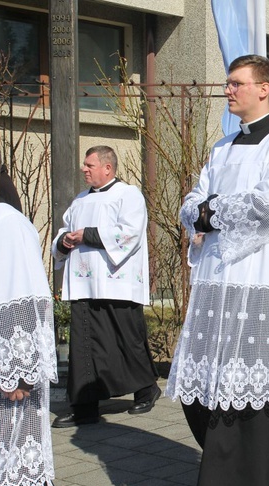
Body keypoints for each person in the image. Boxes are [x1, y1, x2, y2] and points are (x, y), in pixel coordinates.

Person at [165, 55, 269, 486]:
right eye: (229, 84)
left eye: (235, 83)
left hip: (266, 276)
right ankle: (229, 468)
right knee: (203, 386)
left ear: (264, 88)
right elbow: (190, 202)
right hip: (219, 281)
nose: (227, 90)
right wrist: (204, 212)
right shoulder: (221, 147)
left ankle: (246, 482)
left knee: (253, 383)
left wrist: (210, 214)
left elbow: (267, 205)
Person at [51, 145, 159, 428]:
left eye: (90, 165)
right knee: (84, 345)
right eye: (84, 165)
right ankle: (84, 406)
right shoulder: (80, 200)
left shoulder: (128, 195)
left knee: (127, 340)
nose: (84, 169)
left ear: (108, 168)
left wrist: (86, 234)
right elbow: (63, 231)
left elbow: (130, 233)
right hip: (85, 283)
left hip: (117, 282)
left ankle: (147, 389)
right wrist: (63, 241)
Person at [0, 135, 61, 486]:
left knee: (12, 469)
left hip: (2, 372)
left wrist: (19, 370)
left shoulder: (6, 223)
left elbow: (24, 298)